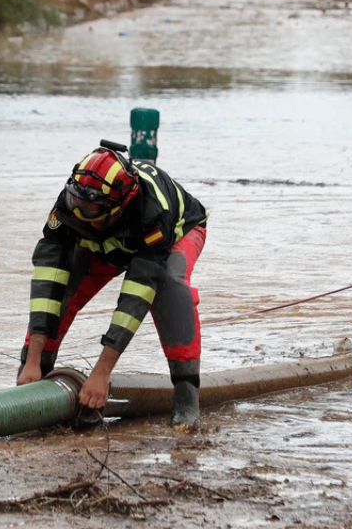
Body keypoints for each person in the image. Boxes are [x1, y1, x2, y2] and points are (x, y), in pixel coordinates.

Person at [16, 140, 208, 428]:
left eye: (91, 211)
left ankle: (186, 402)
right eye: (78, 207)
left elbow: (135, 299)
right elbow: (48, 280)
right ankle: (35, 379)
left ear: (119, 205)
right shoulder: (71, 204)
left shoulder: (153, 214)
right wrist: (32, 360)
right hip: (107, 240)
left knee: (168, 287)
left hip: (175, 234)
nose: (82, 215)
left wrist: (101, 374)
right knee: (64, 287)